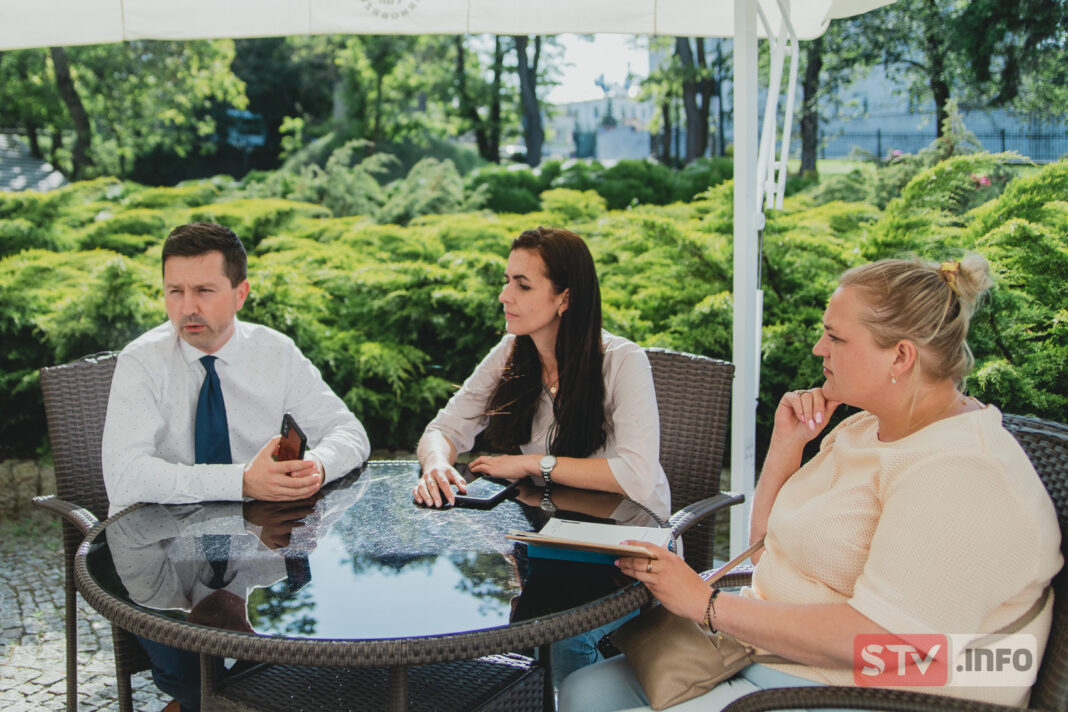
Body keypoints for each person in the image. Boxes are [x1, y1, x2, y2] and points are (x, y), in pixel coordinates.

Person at [559, 255, 1063, 710]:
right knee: (584, 691)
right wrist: (786, 446)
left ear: (901, 357)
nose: (820, 348)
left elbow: (884, 642)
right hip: (773, 653)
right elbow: (767, 552)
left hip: (863, 690)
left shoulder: (960, 474)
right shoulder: (865, 427)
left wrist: (707, 605)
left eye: (836, 338)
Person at [101, 221, 371, 711]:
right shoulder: (142, 362)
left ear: (241, 293)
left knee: (314, 670)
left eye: (204, 291)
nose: (187, 307)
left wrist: (316, 465)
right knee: (194, 680)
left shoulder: (276, 353)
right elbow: (125, 475)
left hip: (259, 550)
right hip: (159, 552)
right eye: (175, 291)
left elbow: (350, 433)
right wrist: (242, 480)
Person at [412, 226, 671, 679]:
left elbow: (635, 475)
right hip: (552, 541)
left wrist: (532, 464)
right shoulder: (512, 352)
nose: (504, 295)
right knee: (497, 637)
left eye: (523, 285)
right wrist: (435, 464)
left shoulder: (622, 361)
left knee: (560, 639)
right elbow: (444, 428)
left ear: (564, 298)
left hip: (627, 545)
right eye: (506, 281)